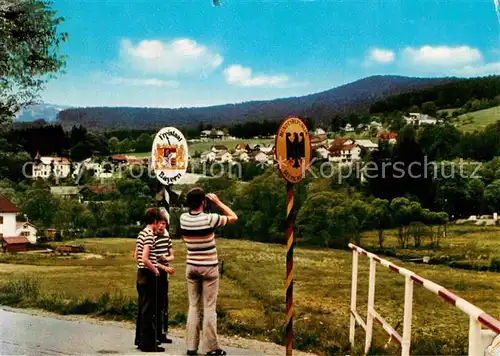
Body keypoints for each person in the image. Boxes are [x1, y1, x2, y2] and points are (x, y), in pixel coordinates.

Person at [180, 188, 238, 356]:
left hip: (191, 266)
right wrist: (218, 202)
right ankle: (210, 347)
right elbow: (234, 217)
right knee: (209, 307)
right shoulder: (210, 218)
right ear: (203, 202)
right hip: (209, 267)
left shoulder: (183, 218)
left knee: (193, 306)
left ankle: (191, 347)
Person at [134, 207, 165, 353]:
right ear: (155, 221)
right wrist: (156, 270)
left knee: (143, 308)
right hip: (148, 274)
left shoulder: (141, 233)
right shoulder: (149, 236)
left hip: (140, 273)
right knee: (149, 310)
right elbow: (146, 258)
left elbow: (137, 256)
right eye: (159, 221)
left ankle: (141, 340)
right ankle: (149, 344)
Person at [154, 215, 175, 345]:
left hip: (164, 273)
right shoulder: (152, 238)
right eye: (160, 223)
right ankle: (155, 333)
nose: (162, 226)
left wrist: (166, 259)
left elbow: (172, 255)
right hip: (155, 272)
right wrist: (162, 264)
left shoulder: (166, 238)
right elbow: (149, 258)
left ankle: (162, 333)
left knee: (163, 304)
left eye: (164, 224)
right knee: (155, 304)